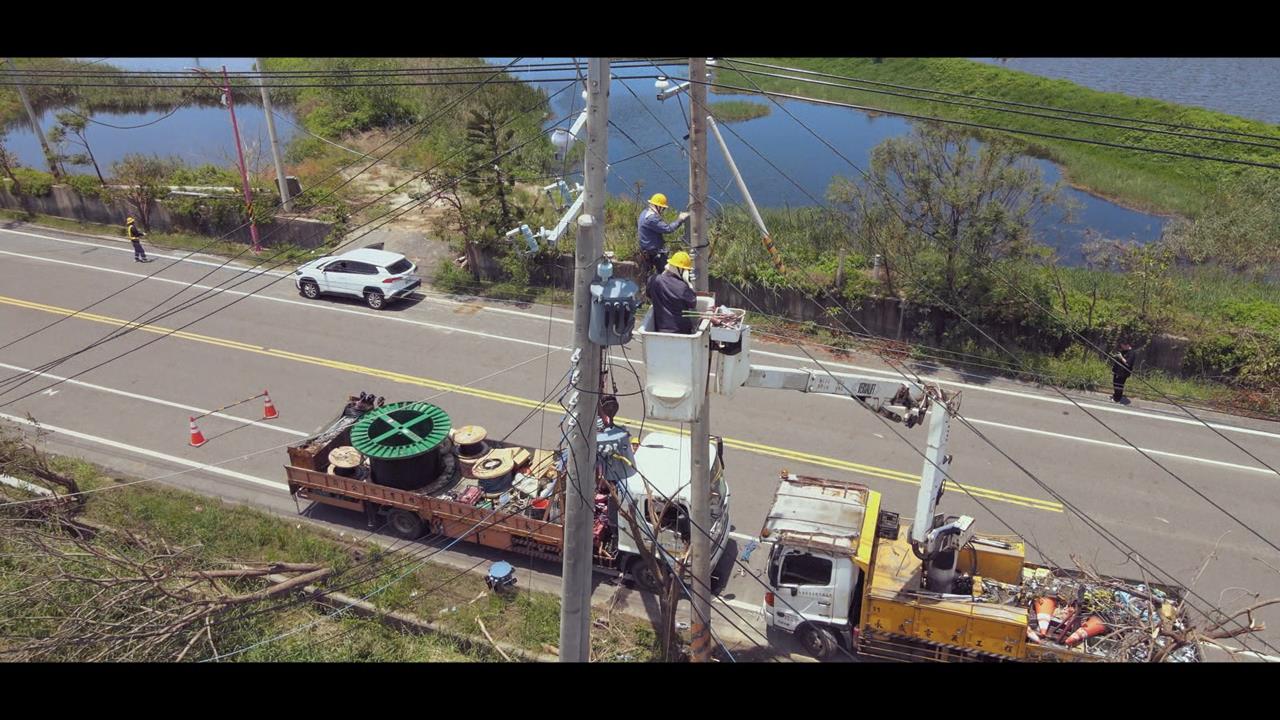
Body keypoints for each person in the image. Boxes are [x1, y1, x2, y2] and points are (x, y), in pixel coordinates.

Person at [636, 193, 689, 283]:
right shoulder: (652, 219)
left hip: (647, 252)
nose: (663, 210)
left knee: (651, 276)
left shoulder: (644, 213)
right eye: (663, 208)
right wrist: (680, 219)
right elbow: (668, 229)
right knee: (666, 276)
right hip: (655, 253)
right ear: (658, 206)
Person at [647, 251, 696, 334]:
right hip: (682, 331)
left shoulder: (653, 280)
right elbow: (693, 303)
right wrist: (688, 284)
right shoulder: (683, 287)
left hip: (660, 329)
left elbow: (649, 295)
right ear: (681, 270)